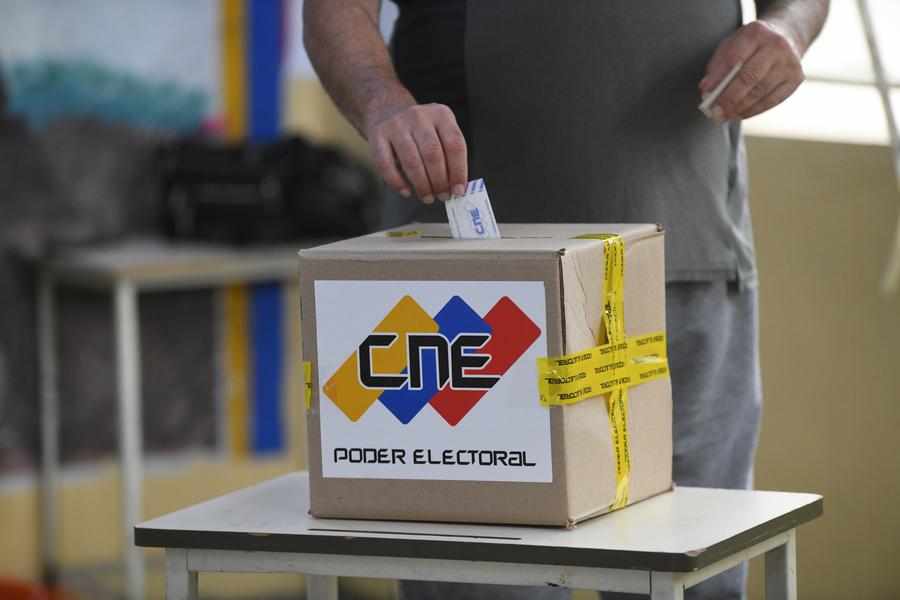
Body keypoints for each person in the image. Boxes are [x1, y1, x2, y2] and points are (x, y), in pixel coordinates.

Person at [302, 1, 828, 599]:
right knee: (480, 584)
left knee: (690, 579)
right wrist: (383, 104)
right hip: (468, 284)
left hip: (684, 261)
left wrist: (789, 28)